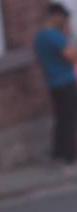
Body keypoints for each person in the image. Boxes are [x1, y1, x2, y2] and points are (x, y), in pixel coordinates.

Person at [35, 2, 77, 166]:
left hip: (53, 82)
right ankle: (68, 154)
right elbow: (70, 56)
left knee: (61, 117)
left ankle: (59, 152)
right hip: (65, 81)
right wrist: (68, 37)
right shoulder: (54, 36)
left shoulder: (39, 36)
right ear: (56, 16)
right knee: (69, 118)